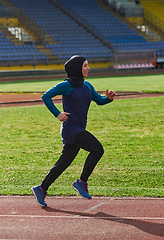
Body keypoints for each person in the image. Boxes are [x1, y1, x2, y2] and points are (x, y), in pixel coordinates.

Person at [31, 55, 116, 207]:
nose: (88, 68)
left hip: (78, 128)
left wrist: (108, 98)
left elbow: (98, 100)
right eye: (85, 66)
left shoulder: (87, 85)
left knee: (63, 163)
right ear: (77, 68)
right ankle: (81, 182)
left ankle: (41, 188)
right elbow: (46, 96)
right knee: (97, 149)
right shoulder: (66, 85)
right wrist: (58, 113)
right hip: (71, 129)